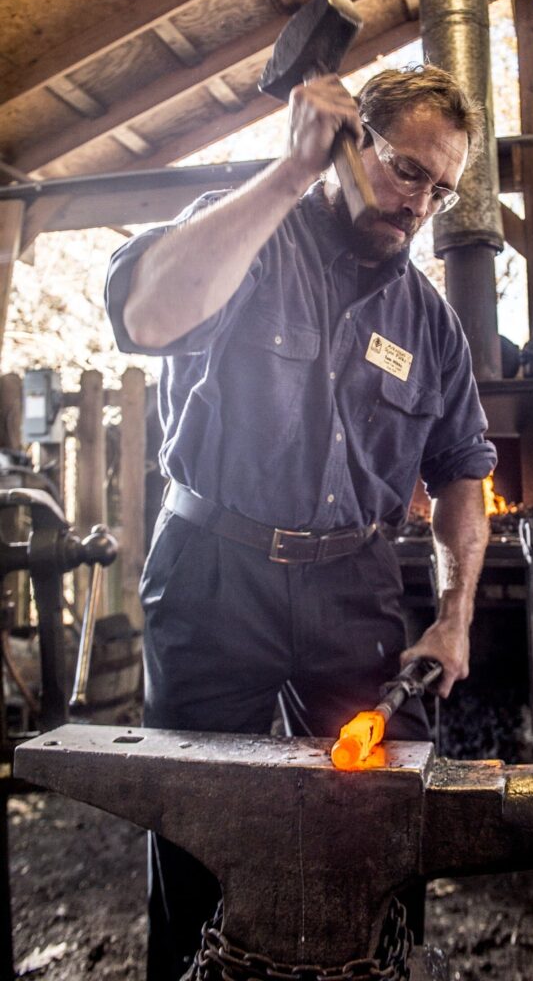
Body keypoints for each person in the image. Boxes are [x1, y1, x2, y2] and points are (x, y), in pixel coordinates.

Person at [105, 63, 496, 979]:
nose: (419, 204)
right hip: (214, 573)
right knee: (198, 820)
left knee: (385, 811)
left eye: (441, 190)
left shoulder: (429, 323)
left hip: (352, 584)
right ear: (352, 144)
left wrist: (455, 616)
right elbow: (147, 316)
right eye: (408, 170)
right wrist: (289, 171)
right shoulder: (243, 234)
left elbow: (463, 474)